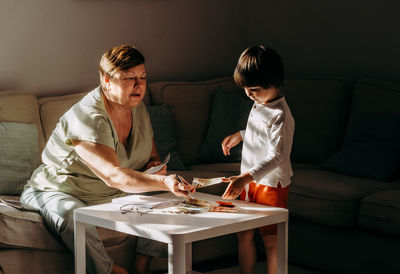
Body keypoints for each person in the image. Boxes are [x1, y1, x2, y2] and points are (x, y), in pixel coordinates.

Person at [20, 45, 195, 274]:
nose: (139, 85)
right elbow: (112, 175)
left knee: (172, 204)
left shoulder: (138, 107)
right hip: (60, 190)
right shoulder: (88, 116)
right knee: (72, 215)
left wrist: (154, 165)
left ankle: (142, 266)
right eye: (129, 78)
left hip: (112, 193)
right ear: (106, 81)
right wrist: (164, 182)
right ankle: (110, 272)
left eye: (143, 77)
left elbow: (151, 154)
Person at [221, 45, 295, 274]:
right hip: (250, 180)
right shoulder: (260, 102)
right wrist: (241, 135)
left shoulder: (280, 115)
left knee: (271, 240)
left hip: (271, 184)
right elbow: (260, 133)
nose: (249, 94)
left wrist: (245, 177)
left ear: (273, 82)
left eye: (253, 89)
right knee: (243, 233)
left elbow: (278, 156)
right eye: (245, 89)